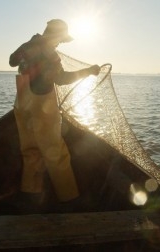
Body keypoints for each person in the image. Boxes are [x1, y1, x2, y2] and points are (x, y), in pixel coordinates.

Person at [9, 19, 100, 207]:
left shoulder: (28, 45)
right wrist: (88, 71)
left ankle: (30, 194)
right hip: (42, 108)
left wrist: (30, 48)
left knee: (31, 151)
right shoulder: (51, 54)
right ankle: (70, 199)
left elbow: (12, 61)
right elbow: (61, 79)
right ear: (56, 35)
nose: (59, 44)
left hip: (22, 106)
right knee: (56, 154)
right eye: (60, 40)